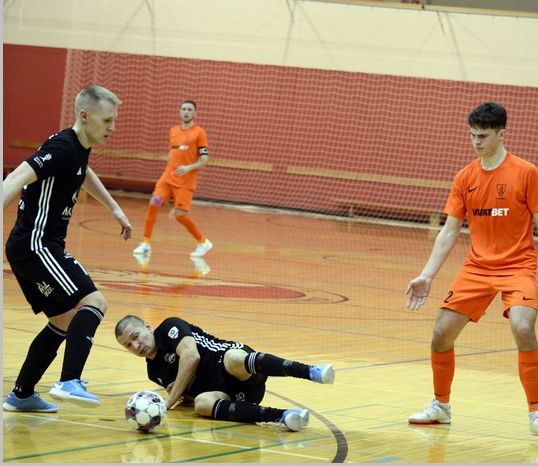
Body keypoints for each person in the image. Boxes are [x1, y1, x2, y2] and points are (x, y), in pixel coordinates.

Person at [404, 101, 538, 441]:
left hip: (518, 265)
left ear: (501, 134)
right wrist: (427, 274)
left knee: (523, 328)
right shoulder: (465, 177)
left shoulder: (525, 172)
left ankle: (537, 414)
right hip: (477, 267)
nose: (476, 142)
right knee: (441, 333)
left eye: (483, 136)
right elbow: (450, 230)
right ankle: (441, 406)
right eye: (472, 135)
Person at [3, 85, 133, 413]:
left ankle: (21, 395)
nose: (113, 127)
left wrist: (114, 208)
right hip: (36, 246)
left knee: (64, 320)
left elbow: (83, 172)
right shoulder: (61, 147)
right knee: (94, 302)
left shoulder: (79, 147)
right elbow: (15, 177)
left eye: (114, 120)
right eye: (107, 120)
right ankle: (69, 380)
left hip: (31, 247)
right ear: (84, 116)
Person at [115, 315, 335, 431]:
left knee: (234, 360)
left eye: (135, 336)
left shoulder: (169, 328)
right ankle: (285, 416)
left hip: (235, 366)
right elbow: (189, 392)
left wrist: (170, 399)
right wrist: (183, 396)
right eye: (128, 345)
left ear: (148, 327)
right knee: (202, 404)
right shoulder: (153, 372)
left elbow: (191, 356)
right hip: (232, 394)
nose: (135, 345)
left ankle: (311, 372)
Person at [133, 100, 212, 259]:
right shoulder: (173, 131)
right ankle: (146, 243)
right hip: (168, 178)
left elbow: (205, 158)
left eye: (189, 109)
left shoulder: (199, 133)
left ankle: (203, 242)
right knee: (154, 203)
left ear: (195, 113)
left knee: (180, 216)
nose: (186, 112)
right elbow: (172, 152)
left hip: (185, 182)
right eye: (184, 109)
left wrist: (188, 167)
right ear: (180, 112)